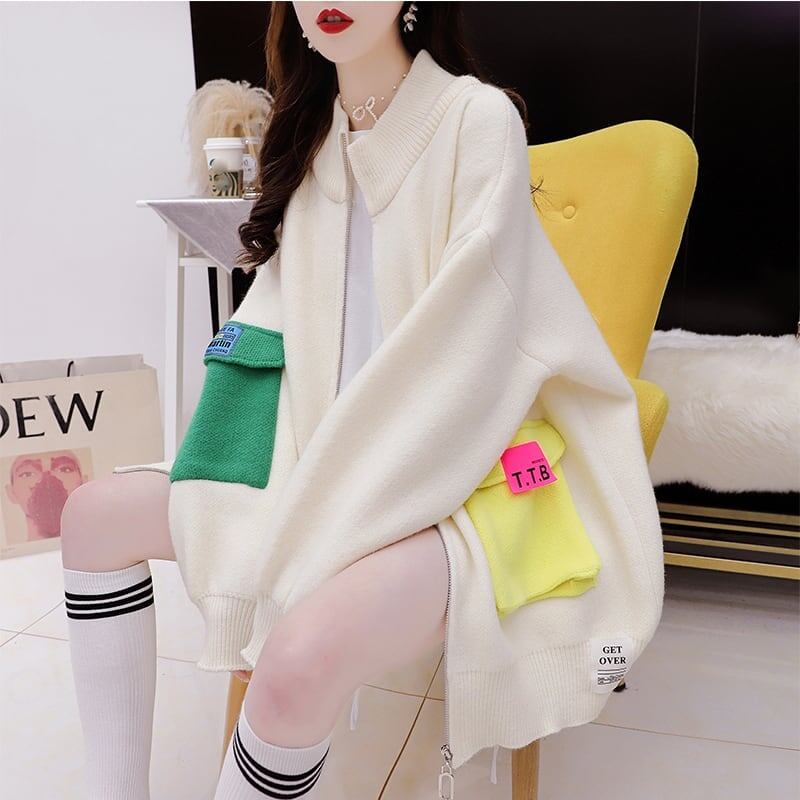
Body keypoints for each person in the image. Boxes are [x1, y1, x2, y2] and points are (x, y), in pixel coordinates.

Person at [61, 3, 666, 799]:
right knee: (92, 515)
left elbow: (465, 364)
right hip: (321, 459)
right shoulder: (315, 139)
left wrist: (314, 533)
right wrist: (234, 489)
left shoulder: (476, 120)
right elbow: (266, 336)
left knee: (297, 657)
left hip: (463, 475)